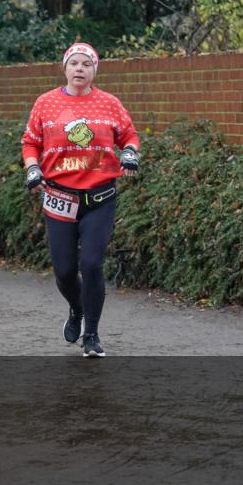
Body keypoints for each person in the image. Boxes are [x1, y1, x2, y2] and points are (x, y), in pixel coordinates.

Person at [21, 42, 140, 358]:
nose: (80, 69)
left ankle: (92, 335)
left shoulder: (109, 103)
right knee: (64, 270)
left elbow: (129, 135)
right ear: (65, 68)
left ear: (94, 71)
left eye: (87, 64)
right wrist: (32, 168)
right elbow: (31, 142)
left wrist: (130, 153)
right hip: (59, 196)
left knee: (91, 264)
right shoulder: (46, 103)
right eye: (74, 63)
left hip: (100, 197)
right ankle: (76, 308)